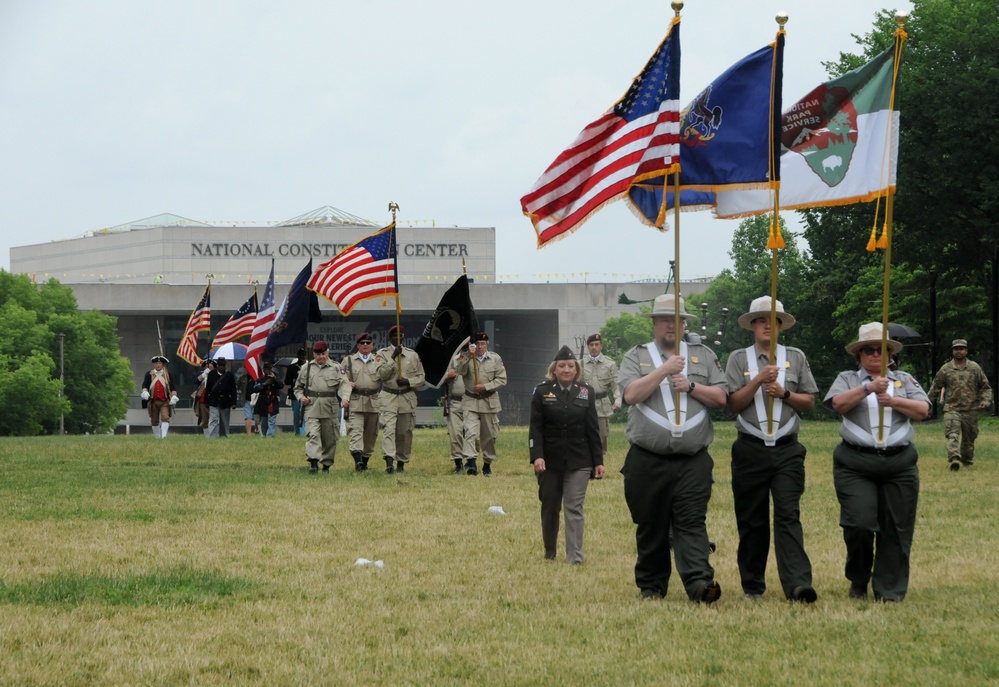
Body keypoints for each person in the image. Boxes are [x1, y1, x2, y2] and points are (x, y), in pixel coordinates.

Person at [618, 294, 727, 603]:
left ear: (685, 325)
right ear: (653, 323)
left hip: (693, 460)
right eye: (665, 319)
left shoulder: (703, 355)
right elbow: (631, 395)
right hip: (647, 459)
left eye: (678, 320)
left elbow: (722, 399)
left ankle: (700, 584)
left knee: (692, 522)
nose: (671, 325)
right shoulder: (635, 356)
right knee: (651, 524)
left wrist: (691, 385)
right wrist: (664, 370)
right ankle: (652, 587)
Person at [823, 322, 931, 602]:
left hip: (899, 463)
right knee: (859, 523)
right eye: (868, 350)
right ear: (858, 355)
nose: (875, 354)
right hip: (856, 462)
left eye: (880, 349)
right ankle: (858, 579)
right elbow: (837, 404)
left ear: (889, 354)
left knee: (897, 528)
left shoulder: (904, 380)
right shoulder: (847, 378)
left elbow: (923, 410)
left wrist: (894, 401)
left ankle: (889, 590)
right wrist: (868, 388)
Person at [725, 296, 818, 603]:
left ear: (781, 326)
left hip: (787, 450)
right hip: (749, 448)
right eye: (761, 320)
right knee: (752, 519)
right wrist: (758, 382)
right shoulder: (739, 359)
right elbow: (732, 404)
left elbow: (809, 402)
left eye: (773, 320)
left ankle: (798, 583)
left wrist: (784, 392)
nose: (767, 324)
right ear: (752, 326)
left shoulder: (797, 356)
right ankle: (752, 585)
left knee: (788, 514)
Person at [529, 345, 605, 564]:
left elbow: (593, 429)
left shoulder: (585, 392)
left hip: (579, 458)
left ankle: (575, 557)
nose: (566, 370)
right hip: (550, 459)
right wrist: (537, 456)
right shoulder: (542, 392)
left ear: (576, 370)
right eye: (562, 366)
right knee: (550, 505)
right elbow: (536, 428)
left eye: (571, 366)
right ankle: (550, 550)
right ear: (554, 369)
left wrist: (597, 461)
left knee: (574, 506)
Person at [927, 338, 992, 471]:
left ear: (966, 351)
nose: (959, 351)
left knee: (969, 438)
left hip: (971, 409)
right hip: (952, 408)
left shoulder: (975, 368)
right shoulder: (945, 369)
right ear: (952, 351)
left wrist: (985, 401)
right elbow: (935, 388)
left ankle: (967, 461)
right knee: (952, 434)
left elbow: (985, 387)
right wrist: (926, 404)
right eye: (956, 349)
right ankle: (954, 458)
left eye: (961, 349)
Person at [455, 331, 508, 476]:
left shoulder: (495, 359)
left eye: (482, 344)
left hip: (488, 401)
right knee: (470, 432)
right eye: (477, 343)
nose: (479, 347)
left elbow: (502, 380)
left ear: (487, 345)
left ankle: (487, 465)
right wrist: (468, 356)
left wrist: (486, 386)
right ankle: (471, 463)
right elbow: (459, 370)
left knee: (489, 436)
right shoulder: (465, 357)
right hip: (471, 401)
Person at [294, 340, 351, 473]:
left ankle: (326, 464)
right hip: (311, 407)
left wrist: (345, 398)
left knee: (329, 438)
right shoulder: (306, 368)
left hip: (329, 407)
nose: (321, 357)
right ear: (314, 354)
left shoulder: (336, 367)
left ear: (328, 353)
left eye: (324, 354)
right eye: (318, 354)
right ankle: (313, 463)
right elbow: (297, 388)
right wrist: (301, 397)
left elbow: (345, 385)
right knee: (313, 435)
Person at [376, 325, 426, 474]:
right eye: (395, 336)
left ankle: (401, 462)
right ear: (389, 337)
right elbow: (382, 375)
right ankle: (389, 461)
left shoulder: (412, 355)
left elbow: (421, 378)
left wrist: (408, 382)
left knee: (404, 431)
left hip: (406, 396)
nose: (398, 338)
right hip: (389, 396)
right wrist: (393, 358)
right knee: (389, 430)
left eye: (401, 335)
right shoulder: (382, 354)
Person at [342, 332, 383, 471]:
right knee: (356, 432)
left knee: (371, 435)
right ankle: (358, 461)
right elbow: (339, 378)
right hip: (355, 401)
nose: (365, 345)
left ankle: (365, 461)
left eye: (368, 343)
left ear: (372, 345)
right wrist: (347, 383)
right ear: (358, 345)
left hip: (373, 402)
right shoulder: (348, 361)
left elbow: (387, 377)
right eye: (362, 343)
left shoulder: (378, 360)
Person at [580, 333, 621, 454]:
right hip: (585, 402)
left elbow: (616, 385)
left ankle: (601, 457)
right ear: (588, 346)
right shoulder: (579, 364)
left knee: (602, 433)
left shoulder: (610, 364)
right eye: (591, 345)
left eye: (596, 345)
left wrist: (618, 401)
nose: (594, 347)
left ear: (601, 346)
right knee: (584, 431)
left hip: (602, 404)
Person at [445, 351, 472, 474]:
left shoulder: (477, 359)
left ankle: (471, 461)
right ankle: (458, 463)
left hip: (472, 401)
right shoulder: (453, 359)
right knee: (455, 434)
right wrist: (448, 375)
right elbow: (439, 378)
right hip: (455, 402)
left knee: (473, 434)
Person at [141, 354, 178, 438]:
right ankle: (157, 437)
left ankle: (163, 437)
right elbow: (145, 385)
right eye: (156, 363)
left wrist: (174, 396)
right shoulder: (149, 374)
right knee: (154, 420)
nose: (158, 365)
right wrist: (145, 392)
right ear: (154, 364)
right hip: (153, 401)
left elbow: (172, 386)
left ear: (163, 364)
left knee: (165, 418)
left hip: (164, 401)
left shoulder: (167, 375)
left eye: (160, 363)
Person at [206, 357, 237, 439]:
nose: (222, 367)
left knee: (224, 420)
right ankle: (213, 436)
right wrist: (207, 401)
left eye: (223, 365)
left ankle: (224, 436)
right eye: (220, 365)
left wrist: (234, 402)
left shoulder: (229, 375)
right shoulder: (211, 374)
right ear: (217, 366)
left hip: (225, 401)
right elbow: (208, 388)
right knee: (214, 420)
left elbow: (233, 390)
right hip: (214, 400)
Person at [253, 362, 282, 437]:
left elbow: (281, 385)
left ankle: (270, 436)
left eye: (268, 369)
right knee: (264, 421)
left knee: (271, 420)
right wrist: (264, 384)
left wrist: (274, 378)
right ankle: (265, 435)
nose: (266, 370)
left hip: (272, 401)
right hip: (263, 402)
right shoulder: (260, 379)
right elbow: (255, 389)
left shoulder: (275, 377)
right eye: (265, 369)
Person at [285, 348, 307, 437]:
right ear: (298, 356)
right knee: (297, 413)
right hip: (295, 395)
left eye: (304, 355)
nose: (302, 357)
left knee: (306, 413)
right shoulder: (292, 367)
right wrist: (294, 380)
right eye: (301, 355)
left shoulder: (308, 367)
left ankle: (305, 431)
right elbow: (286, 381)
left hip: (306, 393)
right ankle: (298, 432)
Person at [191, 359, 211, 434]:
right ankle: (207, 436)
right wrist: (203, 375)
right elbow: (196, 381)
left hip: (213, 400)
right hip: (203, 401)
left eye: (210, 366)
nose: (208, 367)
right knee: (204, 420)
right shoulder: (201, 374)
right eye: (207, 366)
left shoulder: (216, 374)